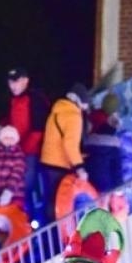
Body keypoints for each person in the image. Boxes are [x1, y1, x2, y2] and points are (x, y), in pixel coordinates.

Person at [0, 67, 51, 216]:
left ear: (26, 81)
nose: (13, 85)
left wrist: (22, 151)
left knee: (27, 187)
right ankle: (25, 222)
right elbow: (8, 119)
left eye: (17, 81)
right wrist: (1, 128)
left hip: (32, 152)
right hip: (19, 151)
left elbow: (38, 129)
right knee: (23, 189)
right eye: (10, 82)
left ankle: (33, 223)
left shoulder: (35, 98)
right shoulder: (13, 100)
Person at [39, 84, 88, 222]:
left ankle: (45, 236)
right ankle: (58, 238)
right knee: (60, 206)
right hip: (59, 165)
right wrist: (80, 167)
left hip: (47, 161)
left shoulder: (57, 110)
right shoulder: (73, 116)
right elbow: (70, 144)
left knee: (49, 201)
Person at [0, 124, 28, 207]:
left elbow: (17, 174)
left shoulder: (19, 154)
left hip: (15, 193)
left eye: (11, 138)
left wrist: (9, 191)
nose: (8, 140)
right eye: (5, 137)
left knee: (16, 215)